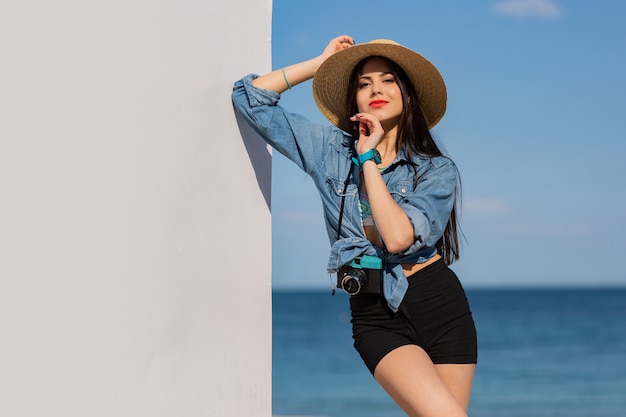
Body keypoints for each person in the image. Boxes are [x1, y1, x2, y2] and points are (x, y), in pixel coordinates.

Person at [232, 35, 477, 417]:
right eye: (364, 83)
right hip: (376, 314)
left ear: (408, 96)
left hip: (439, 305)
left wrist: (369, 162)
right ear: (355, 101)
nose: (376, 89)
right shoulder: (329, 150)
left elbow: (398, 237)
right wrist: (321, 64)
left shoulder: (435, 170)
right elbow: (249, 98)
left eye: (388, 80)